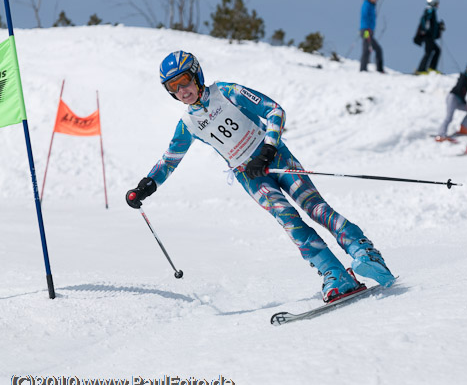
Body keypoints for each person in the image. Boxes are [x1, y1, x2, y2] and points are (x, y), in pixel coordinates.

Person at [126, 51, 396, 303]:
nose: (181, 91)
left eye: (184, 81)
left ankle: (365, 252)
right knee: (290, 222)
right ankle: (334, 274)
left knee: (315, 208)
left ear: (197, 75)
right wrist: (146, 187)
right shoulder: (188, 124)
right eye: (172, 87)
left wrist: (267, 148)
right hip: (250, 176)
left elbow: (275, 110)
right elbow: (169, 160)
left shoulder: (227, 92)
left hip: (276, 158)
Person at [436, 61, 467, 142]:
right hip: (453, 98)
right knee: (449, 117)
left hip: (459, 100)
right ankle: (441, 134)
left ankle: (464, 128)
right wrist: (464, 101)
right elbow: (459, 90)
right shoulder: (463, 77)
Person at [415, 0, 444, 74]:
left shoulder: (432, 11)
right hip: (428, 36)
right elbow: (427, 23)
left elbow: (433, 24)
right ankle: (421, 69)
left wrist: (439, 26)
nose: (438, 5)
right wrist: (426, 31)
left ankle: (432, 67)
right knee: (429, 52)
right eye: (437, 4)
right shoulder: (429, 11)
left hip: (430, 37)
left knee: (436, 50)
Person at [360, 0, 384, 73]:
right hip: (366, 31)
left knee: (376, 49)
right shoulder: (367, 4)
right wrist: (368, 29)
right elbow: (365, 17)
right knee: (367, 49)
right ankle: (363, 69)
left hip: (369, 31)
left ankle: (378, 69)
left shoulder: (372, 5)